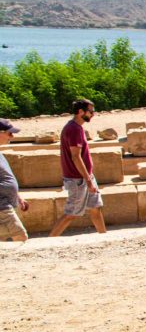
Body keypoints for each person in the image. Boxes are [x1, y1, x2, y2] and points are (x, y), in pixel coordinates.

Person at [49, 99, 106, 237]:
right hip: (78, 179)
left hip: (85, 176)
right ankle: (50, 240)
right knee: (71, 214)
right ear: (81, 112)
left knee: (95, 208)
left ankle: (104, 237)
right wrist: (87, 180)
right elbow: (76, 156)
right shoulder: (74, 129)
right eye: (91, 111)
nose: (93, 114)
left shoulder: (76, 127)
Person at [0, 119, 29, 241]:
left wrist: (18, 196)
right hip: (2, 206)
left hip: (5, 204)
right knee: (21, 237)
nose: (11, 137)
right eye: (9, 133)